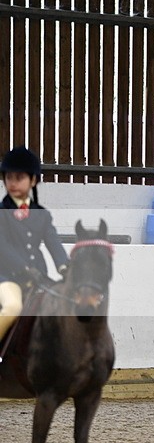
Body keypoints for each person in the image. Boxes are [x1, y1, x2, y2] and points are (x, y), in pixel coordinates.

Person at [0, 146, 69, 343]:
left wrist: (65, 267)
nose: (12, 183)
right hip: (6, 277)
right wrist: (24, 268)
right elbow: (2, 247)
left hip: (38, 276)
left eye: (19, 178)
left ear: (33, 180)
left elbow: (53, 242)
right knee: (13, 306)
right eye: (9, 178)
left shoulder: (42, 214)